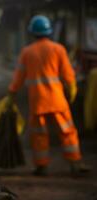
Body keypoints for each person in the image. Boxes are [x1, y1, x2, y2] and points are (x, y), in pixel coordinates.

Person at [8, 15, 90, 176]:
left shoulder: (27, 52)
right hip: (57, 100)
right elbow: (68, 75)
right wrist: (72, 89)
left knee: (39, 135)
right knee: (67, 132)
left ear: (32, 33)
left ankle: (41, 166)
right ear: (49, 32)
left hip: (38, 101)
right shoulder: (58, 49)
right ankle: (75, 163)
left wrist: (12, 93)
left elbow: (18, 77)